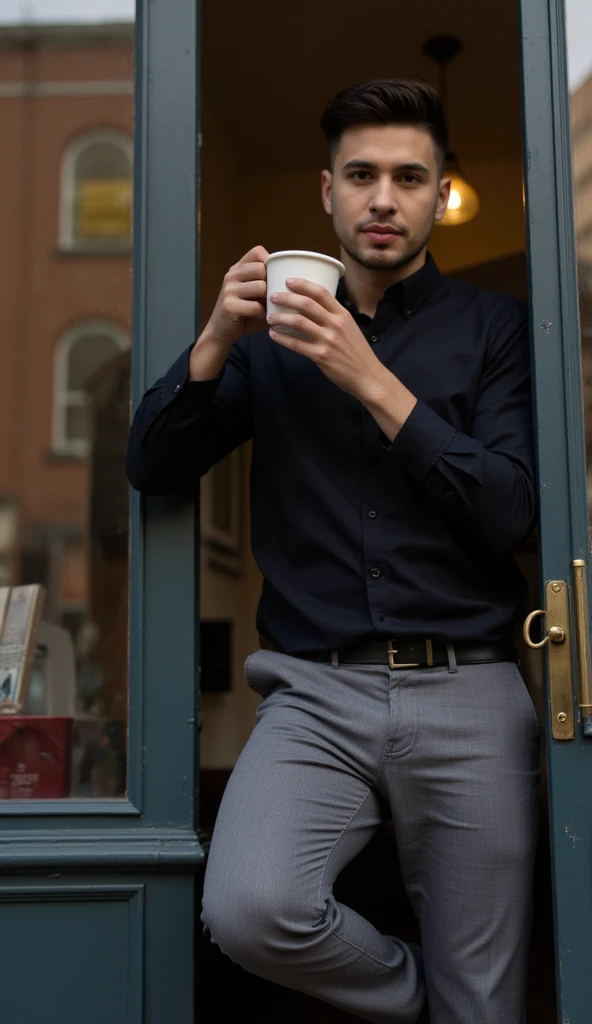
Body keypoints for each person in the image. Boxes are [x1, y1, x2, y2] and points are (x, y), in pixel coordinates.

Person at [126, 79, 539, 1024]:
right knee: (252, 908)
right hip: (313, 691)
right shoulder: (272, 339)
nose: (383, 198)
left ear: (440, 194)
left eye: (408, 176)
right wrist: (215, 338)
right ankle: (424, 998)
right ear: (327, 192)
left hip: (471, 690)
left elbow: (512, 511)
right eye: (361, 175)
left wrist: (371, 381)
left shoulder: (498, 329)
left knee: (494, 1002)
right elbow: (152, 465)